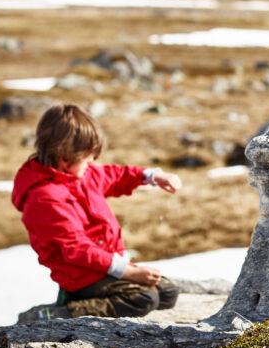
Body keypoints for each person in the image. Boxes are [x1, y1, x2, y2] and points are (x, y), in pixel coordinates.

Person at [11, 103, 183, 318]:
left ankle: (98, 298)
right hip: (80, 275)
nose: (93, 160)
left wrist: (152, 176)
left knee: (167, 292)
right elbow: (77, 249)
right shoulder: (45, 197)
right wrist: (128, 271)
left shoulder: (82, 174)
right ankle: (63, 313)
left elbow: (115, 175)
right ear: (65, 157)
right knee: (144, 298)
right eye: (88, 156)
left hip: (103, 265)